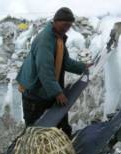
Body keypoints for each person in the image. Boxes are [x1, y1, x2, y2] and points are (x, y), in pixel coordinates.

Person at [16, 7, 90, 137]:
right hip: (34, 92)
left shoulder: (58, 38)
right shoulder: (46, 40)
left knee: (60, 126)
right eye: (64, 24)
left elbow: (65, 62)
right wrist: (57, 92)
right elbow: (45, 70)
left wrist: (83, 67)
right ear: (55, 21)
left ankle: (64, 149)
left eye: (69, 25)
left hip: (46, 89)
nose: (67, 28)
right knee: (35, 131)